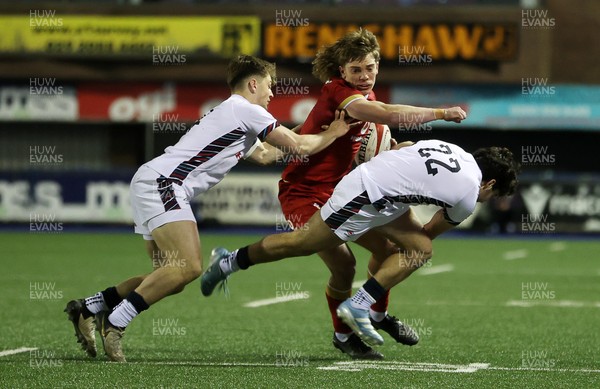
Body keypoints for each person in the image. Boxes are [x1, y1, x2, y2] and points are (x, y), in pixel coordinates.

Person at [63, 54, 352, 362]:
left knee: (166, 277)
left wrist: (310, 131)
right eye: (269, 86)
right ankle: (117, 322)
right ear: (253, 83)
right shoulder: (246, 109)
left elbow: (268, 155)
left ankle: (90, 306)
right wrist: (332, 134)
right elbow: (299, 147)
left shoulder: (233, 112)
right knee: (188, 267)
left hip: (151, 180)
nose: (272, 93)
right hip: (166, 183)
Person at [213, 28, 467, 359]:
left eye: (370, 68)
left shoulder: (365, 99)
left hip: (339, 191)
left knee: (394, 250)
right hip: (302, 192)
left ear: (378, 65)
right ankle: (234, 262)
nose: (364, 76)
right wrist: (439, 113)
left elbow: (371, 140)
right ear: (342, 71)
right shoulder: (339, 92)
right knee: (343, 266)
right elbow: (384, 113)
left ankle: (376, 314)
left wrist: (399, 149)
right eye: (356, 70)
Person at [201, 140, 520, 348]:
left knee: (408, 250)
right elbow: (429, 231)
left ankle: (370, 309)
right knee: (302, 243)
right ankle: (229, 261)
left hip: (384, 193)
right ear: (489, 183)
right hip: (365, 195)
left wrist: (394, 247)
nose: (486, 199)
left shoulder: (454, 148)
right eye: (492, 194)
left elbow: (407, 149)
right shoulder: (467, 196)